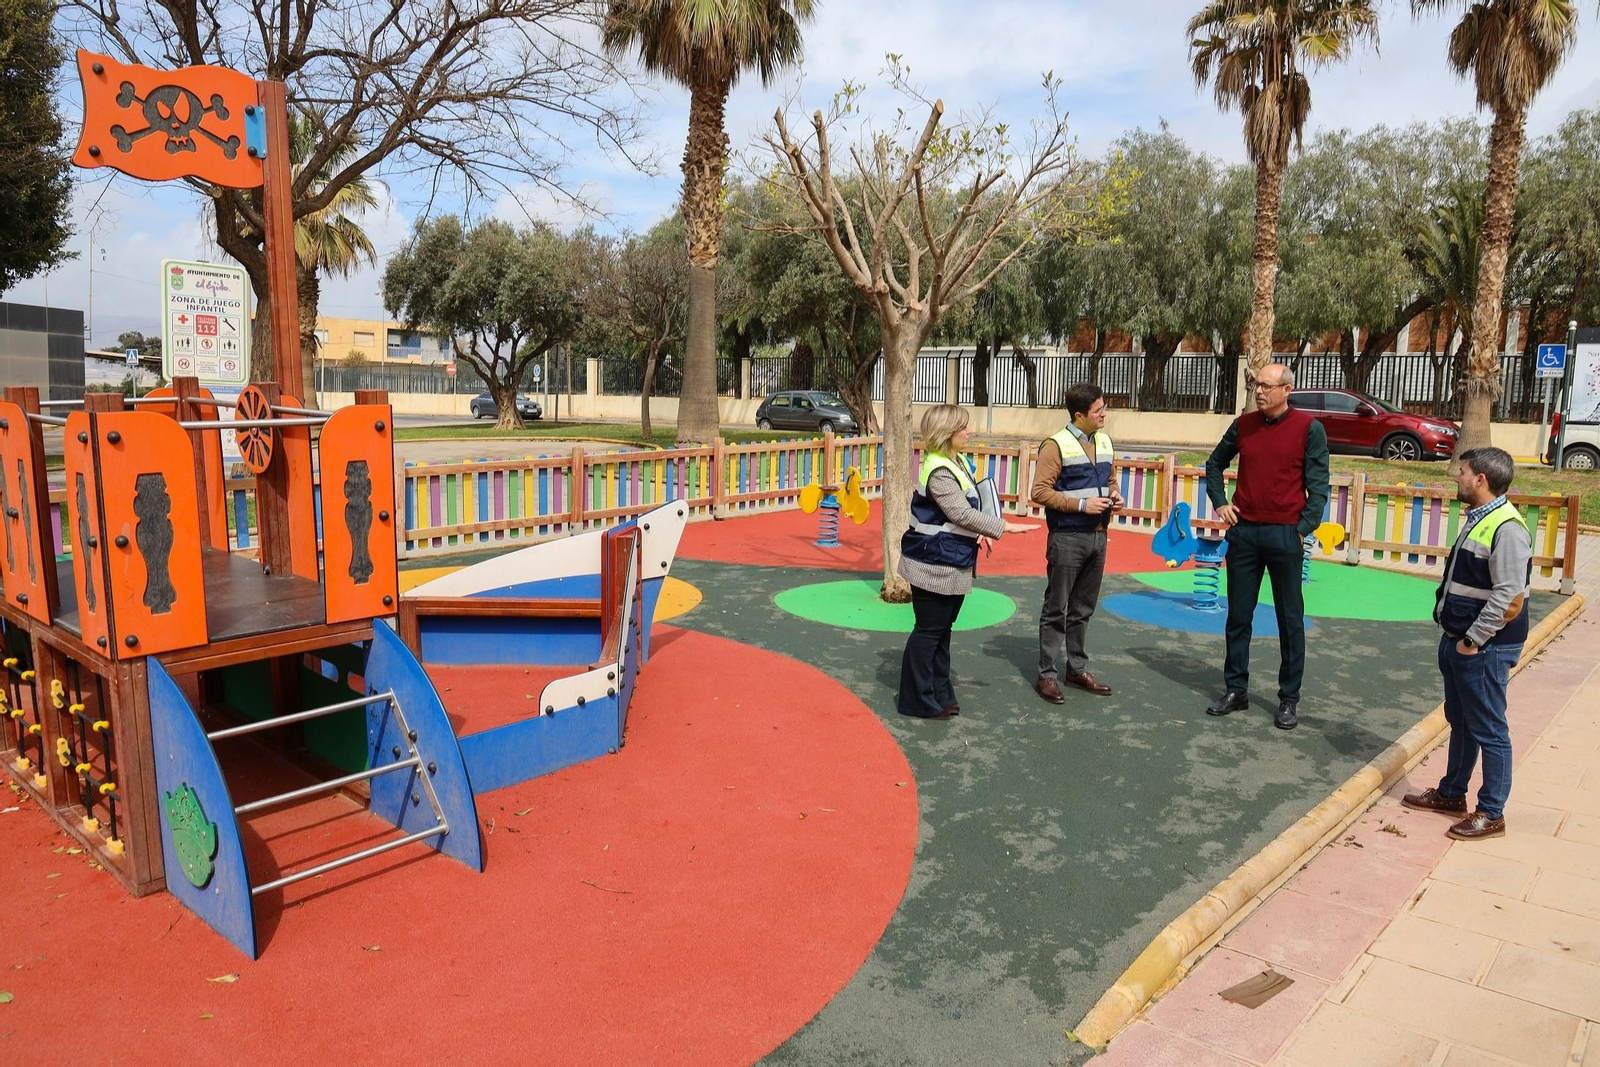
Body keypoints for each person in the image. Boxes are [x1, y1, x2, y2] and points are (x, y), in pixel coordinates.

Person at [1402, 447, 1531, 840]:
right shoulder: (1482, 519)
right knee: (1462, 721)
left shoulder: (1507, 528)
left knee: (1490, 728)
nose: (1456, 476)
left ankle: (1492, 812)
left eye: (1463, 471)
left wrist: (1473, 640)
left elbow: (1510, 596)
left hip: (1485, 647)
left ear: (1481, 480)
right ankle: (1452, 793)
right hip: (1461, 640)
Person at [1203, 363, 1330, 730]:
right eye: (1257, 385)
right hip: (1244, 533)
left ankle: (1289, 699)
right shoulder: (1244, 425)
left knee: (1290, 619)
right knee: (1238, 616)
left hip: (1285, 535)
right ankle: (1236, 690)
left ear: (1287, 389)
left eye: (1267, 386)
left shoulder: (1309, 429)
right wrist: (1220, 501)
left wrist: (1302, 528)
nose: (1259, 391)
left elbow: (1318, 485)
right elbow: (1214, 465)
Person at [897, 405, 1034, 720]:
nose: (969, 432)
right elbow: (959, 513)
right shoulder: (940, 470)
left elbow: (959, 514)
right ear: (947, 434)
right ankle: (916, 699)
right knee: (930, 631)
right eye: (963, 428)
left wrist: (979, 531)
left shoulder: (954, 462)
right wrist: (1003, 526)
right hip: (934, 563)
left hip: (947, 558)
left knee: (942, 631)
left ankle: (939, 693)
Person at [1031, 383, 1123, 703]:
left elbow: (1109, 479)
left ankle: (1076, 669)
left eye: (1104, 408)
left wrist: (1114, 495)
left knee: (1083, 608)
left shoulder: (1105, 441)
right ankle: (1047, 675)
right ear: (1079, 415)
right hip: (1067, 537)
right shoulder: (1055, 445)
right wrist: (1082, 506)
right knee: (1056, 607)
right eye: (1099, 410)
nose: (1104, 414)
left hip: (1099, 537)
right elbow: (1039, 492)